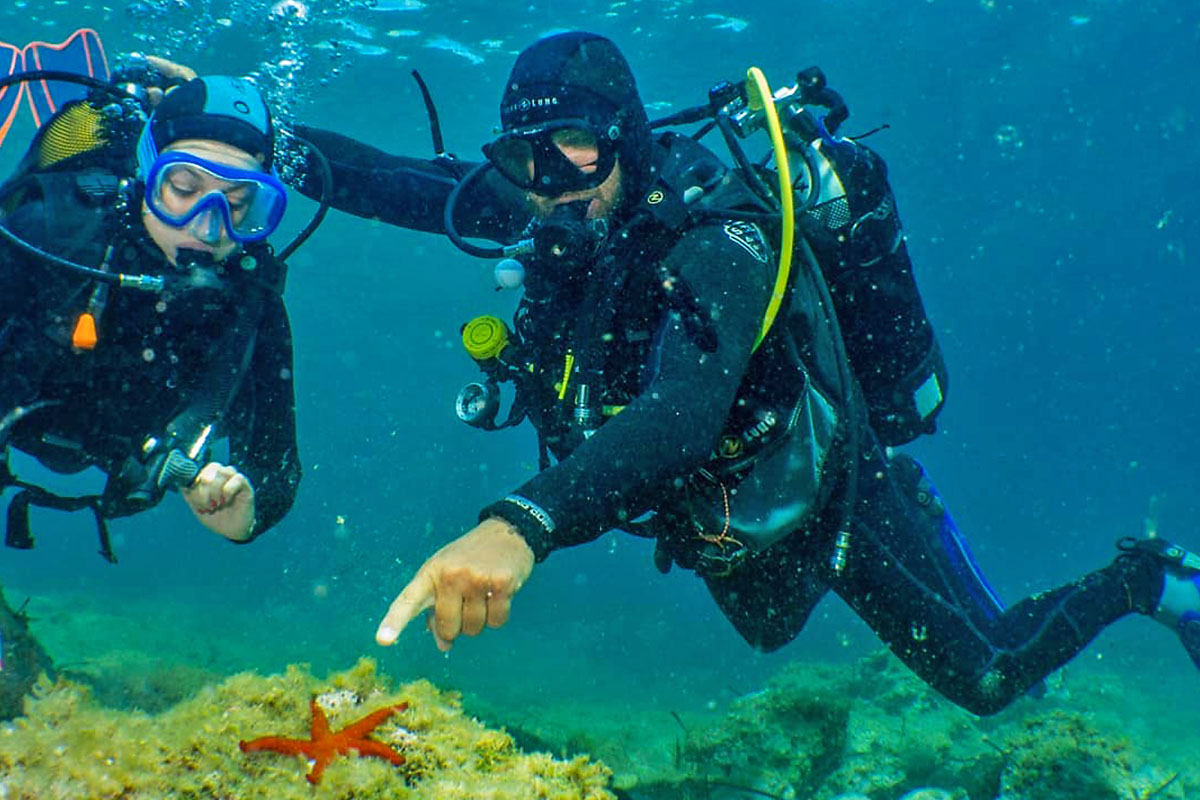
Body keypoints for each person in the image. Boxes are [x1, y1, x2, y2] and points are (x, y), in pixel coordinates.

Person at [294, 31, 1199, 715]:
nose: (551, 181)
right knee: (768, 630)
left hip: (822, 482)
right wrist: (242, 135)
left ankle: (1150, 582)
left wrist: (520, 525)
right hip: (718, 507)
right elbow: (397, 183)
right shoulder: (551, 196)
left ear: (626, 138)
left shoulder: (718, 237)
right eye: (525, 157)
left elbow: (681, 416)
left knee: (990, 676)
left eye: (577, 146)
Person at [0, 72, 302, 715]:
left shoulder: (250, 306)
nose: (207, 223)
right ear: (144, 175)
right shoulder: (46, 236)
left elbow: (277, 463)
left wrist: (245, 511)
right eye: (184, 188)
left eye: (238, 201)